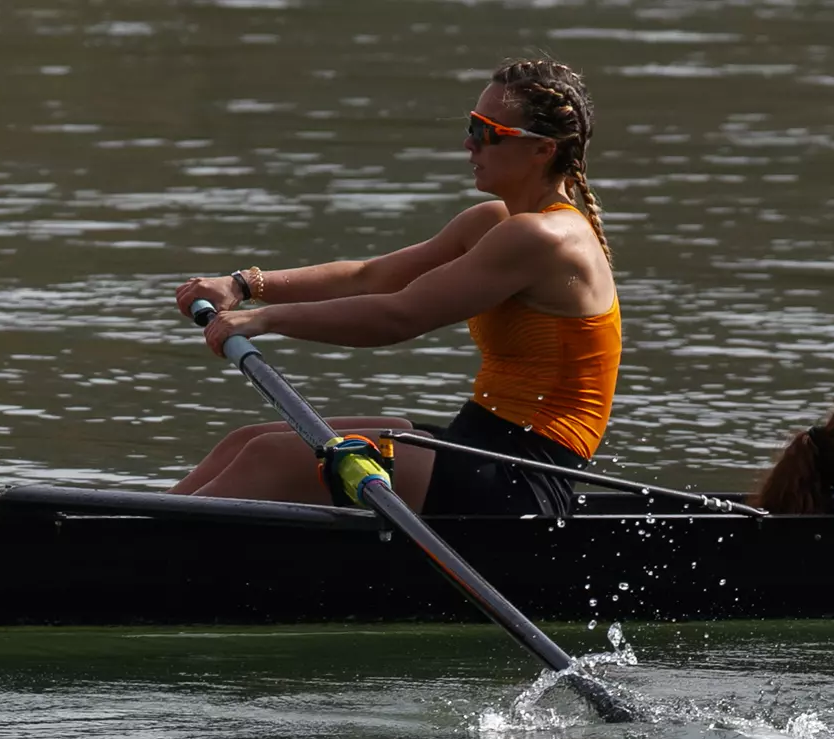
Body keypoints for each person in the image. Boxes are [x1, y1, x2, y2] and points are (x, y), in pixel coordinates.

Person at [170, 58, 618, 516]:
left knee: (272, 458)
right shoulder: (494, 222)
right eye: (471, 125)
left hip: (523, 476)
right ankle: (119, 530)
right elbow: (371, 276)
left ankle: (126, 553)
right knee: (248, 442)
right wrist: (245, 285)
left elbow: (398, 316)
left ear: (542, 150)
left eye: (487, 132)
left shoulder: (544, 238)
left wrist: (265, 319)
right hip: (478, 442)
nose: (468, 143)